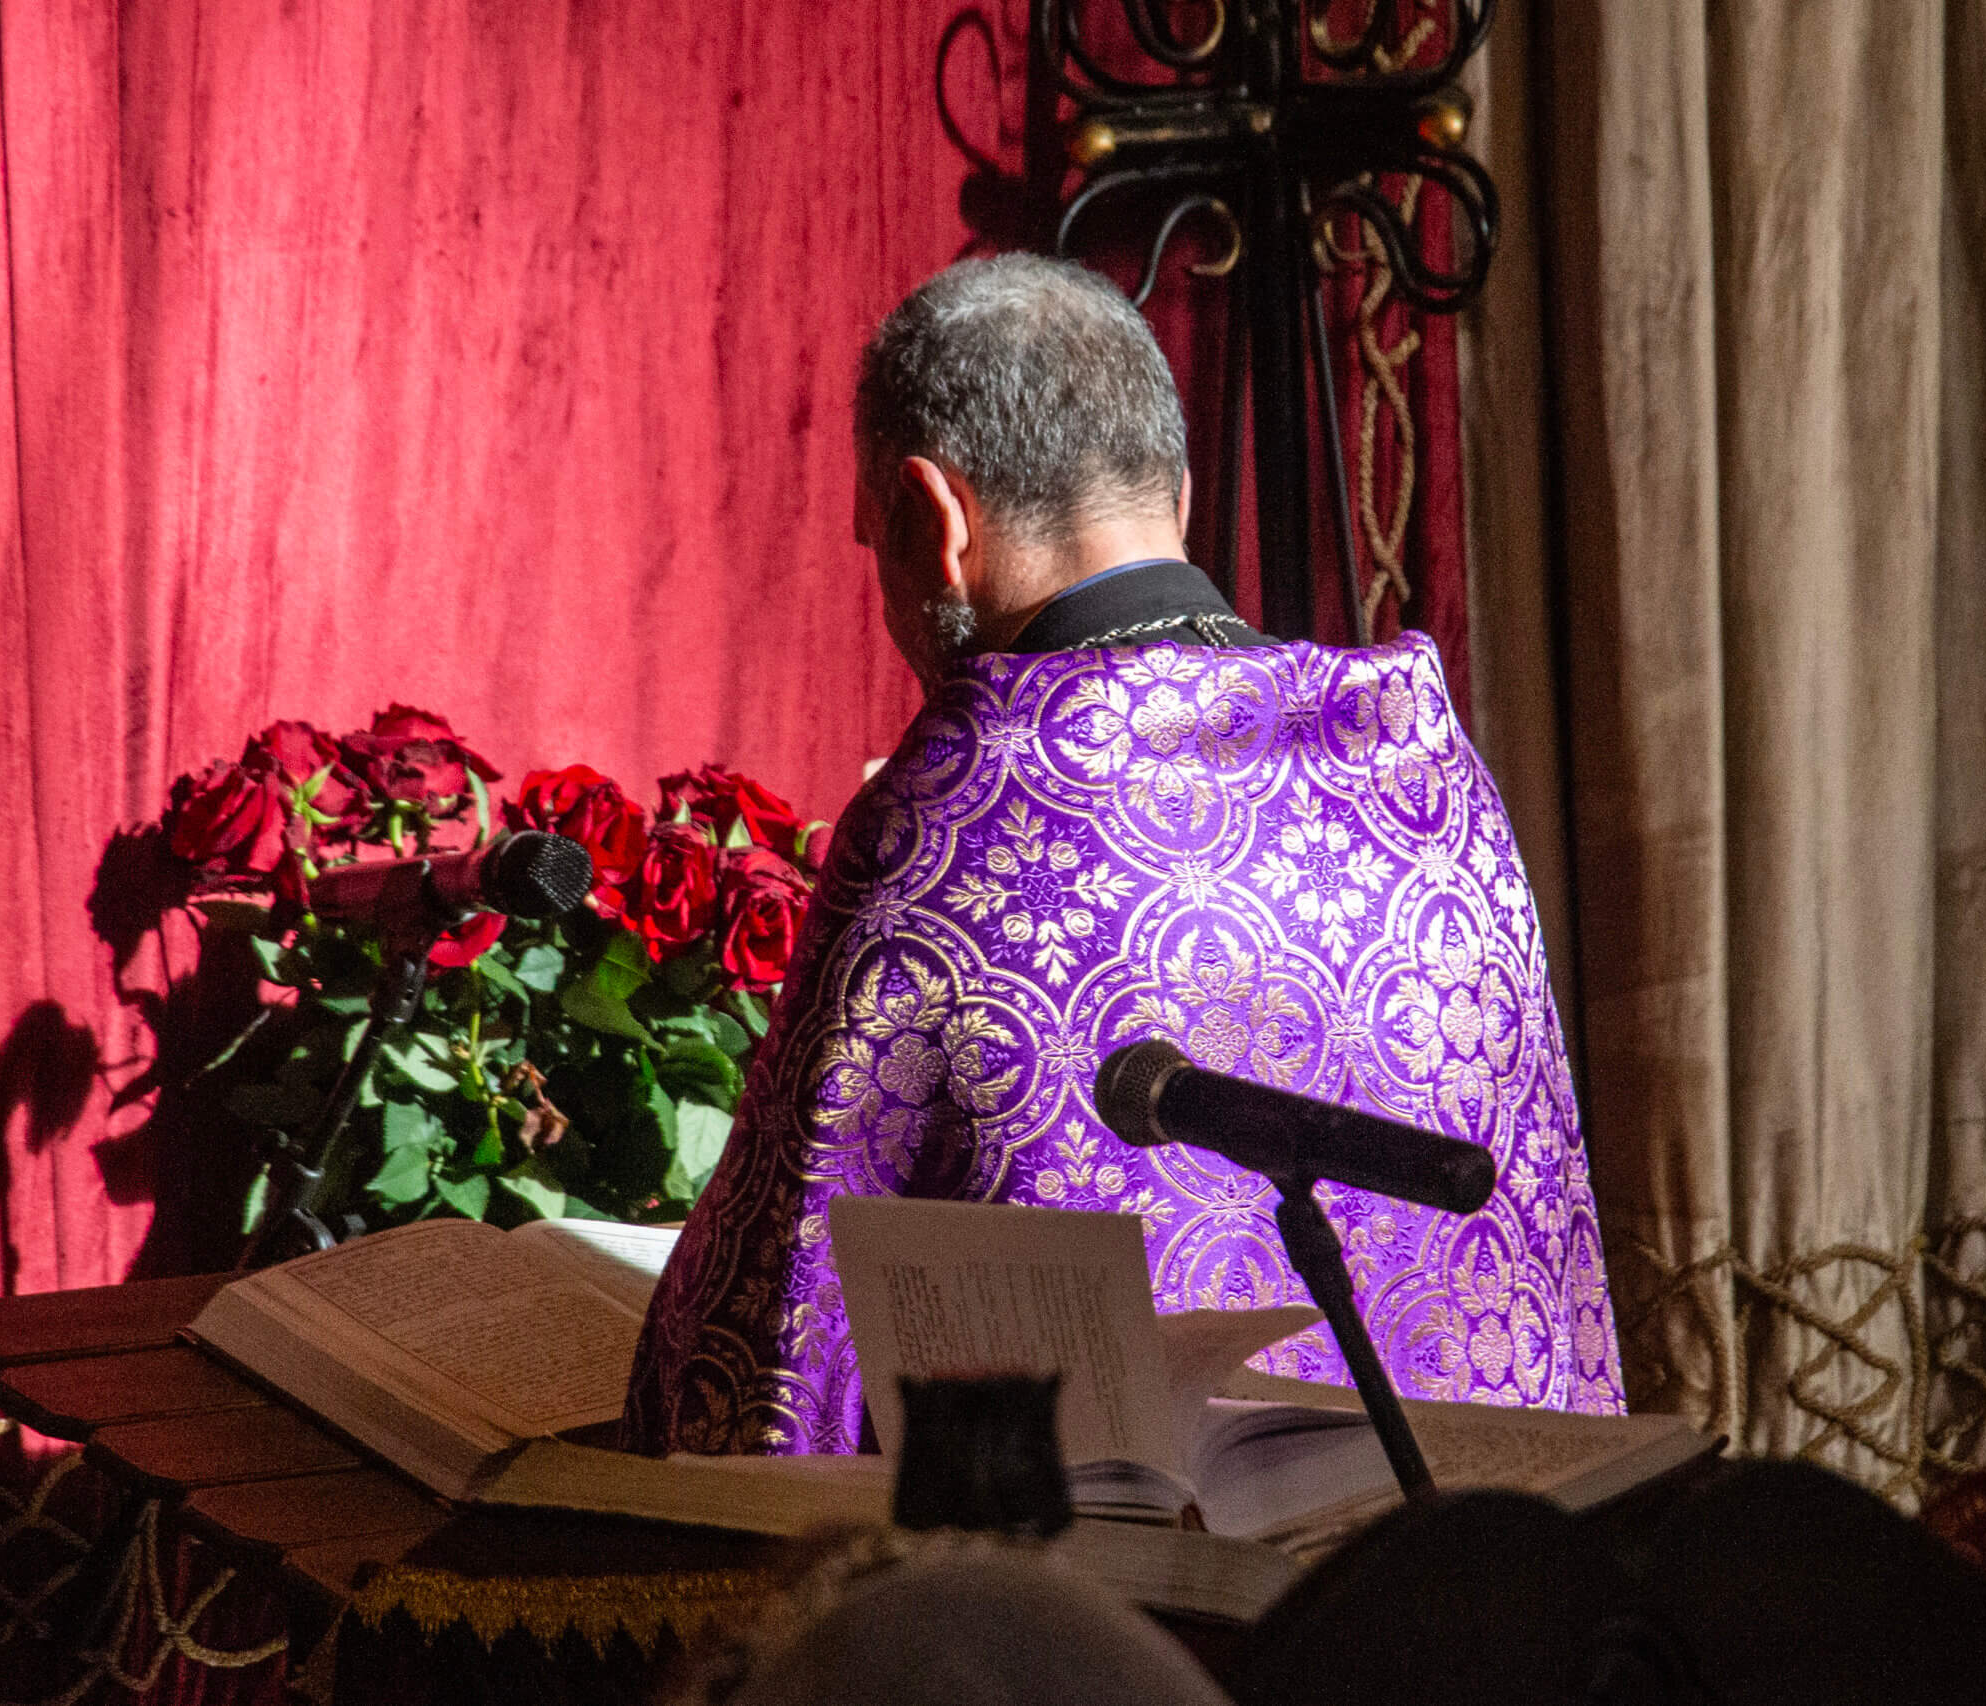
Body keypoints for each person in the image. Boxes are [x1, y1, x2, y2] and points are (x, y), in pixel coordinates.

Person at [623, 254, 1622, 1456]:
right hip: (1468, 1562)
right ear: (1181, 494)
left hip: (1131, 1606)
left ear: (933, 519)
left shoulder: (961, 806)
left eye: (868, 542)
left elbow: (761, 1353)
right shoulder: (1419, 755)